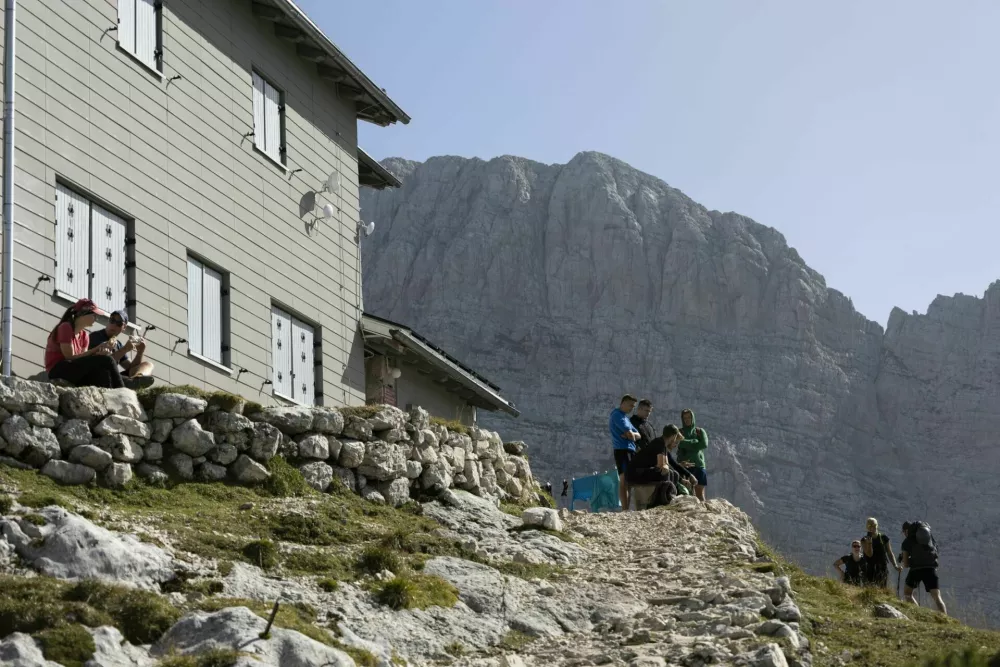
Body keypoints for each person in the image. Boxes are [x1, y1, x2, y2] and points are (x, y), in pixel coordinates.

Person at [44, 299, 125, 389]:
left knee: (102, 373)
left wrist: (99, 353)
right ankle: (123, 391)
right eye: (94, 315)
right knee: (108, 360)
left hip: (72, 370)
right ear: (83, 314)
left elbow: (83, 358)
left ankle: (111, 398)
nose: (96, 318)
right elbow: (69, 357)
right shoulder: (66, 327)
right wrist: (97, 349)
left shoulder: (84, 335)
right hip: (58, 370)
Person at [87, 309, 155, 390]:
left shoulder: (118, 344)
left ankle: (136, 381)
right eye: (112, 320)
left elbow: (131, 369)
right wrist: (125, 349)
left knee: (148, 365)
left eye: (118, 323)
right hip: (98, 378)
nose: (114, 325)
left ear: (124, 327)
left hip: (111, 378)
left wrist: (140, 352)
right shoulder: (96, 337)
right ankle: (132, 383)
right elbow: (102, 365)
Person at [900, 521, 947, 615]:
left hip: (915, 570)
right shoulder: (929, 538)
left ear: (906, 531)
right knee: (937, 597)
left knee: (907, 593)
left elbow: (905, 565)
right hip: (930, 568)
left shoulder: (907, 541)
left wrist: (904, 558)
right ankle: (946, 620)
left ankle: (918, 615)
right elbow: (936, 551)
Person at [609, 394, 642, 511]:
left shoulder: (625, 418)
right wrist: (630, 435)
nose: (632, 408)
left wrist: (630, 435)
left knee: (628, 480)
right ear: (623, 403)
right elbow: (631, 434)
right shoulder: (617, 415)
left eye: (633, 406)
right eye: (630, 405)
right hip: (622, 451)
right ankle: (624, 508)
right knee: (624, 479)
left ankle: (626, 508)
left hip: (630, 450)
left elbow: (638, 435)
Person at [678, 409, 709, 501]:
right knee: (687, 492)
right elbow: (680, 443)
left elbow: (704, 444)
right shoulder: (680, 432)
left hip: (699, 465)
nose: (687, 420)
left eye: (689, 417)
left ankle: (703, 512)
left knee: (700, 492)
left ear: (693, 418)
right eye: (685, 418)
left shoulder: (699, 431)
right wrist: (695, 442)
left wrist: (687, 443)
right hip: (684, 466)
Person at [861, 517, 900, 589]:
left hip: (882, 568)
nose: (873, 528)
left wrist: (895, 565)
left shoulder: (883, 538)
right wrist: (869, 543)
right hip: (869, 568)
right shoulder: (864, 540)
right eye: (870, 526)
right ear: (867, 528)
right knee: (868, 589)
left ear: (877, 525)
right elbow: (869, 554)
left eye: (874, 525)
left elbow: (889, 552)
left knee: (883, 589)